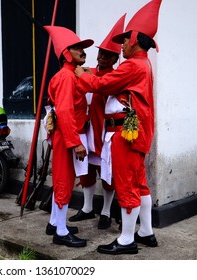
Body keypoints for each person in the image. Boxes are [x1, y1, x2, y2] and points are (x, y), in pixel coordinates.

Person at [74, 0, 162, 255]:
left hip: (125, 135)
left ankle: (126, 240)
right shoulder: (139, 65)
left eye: (124, 40)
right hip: (130, 133)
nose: (121, 44)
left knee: (127, 186)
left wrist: (83, 76)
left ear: (135, 39)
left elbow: (103, 84)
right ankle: (145, 232)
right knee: (140, 184)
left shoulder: (133, 65)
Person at [69, 14, 126, 230]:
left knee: (107, 173)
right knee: (85, 170)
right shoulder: (87, 72)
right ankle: (87, 208)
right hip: (86, 130)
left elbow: (100, 86)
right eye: (101, 53)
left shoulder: (115, 77)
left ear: (114, 59)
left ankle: (105, 211)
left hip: (104, 132)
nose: (102, 57)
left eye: (108, 55)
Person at [43, 25, 94, 247]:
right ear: (66, 53)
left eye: (83, 47)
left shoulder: (70, 75)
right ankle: (61, 233)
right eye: (77, 48)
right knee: (64, 181)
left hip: (66, 135)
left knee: (62, 181)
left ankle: (55, 223)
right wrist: (76, 143)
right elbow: (65, 111)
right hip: (67, 136)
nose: (83, 51)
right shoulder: (67, 77)